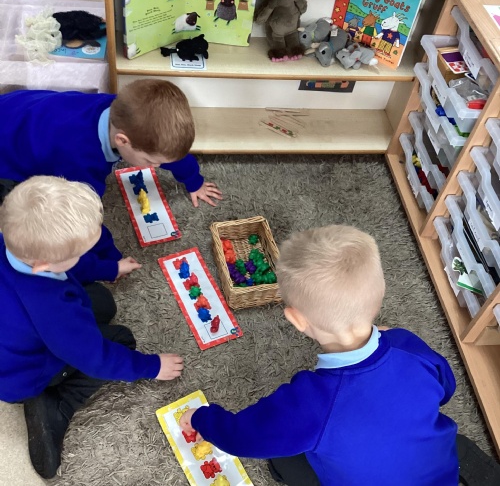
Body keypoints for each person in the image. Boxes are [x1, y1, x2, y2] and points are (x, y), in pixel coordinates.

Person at [180, 224, 459, 485]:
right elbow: (446, 389)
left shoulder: (309, 402)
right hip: (444, 478)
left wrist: (201, 419)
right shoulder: (409, 346)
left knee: (283, 456)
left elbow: (244, 437)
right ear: (380, 294)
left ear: (297, 320)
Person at [0, 176, 184, 479]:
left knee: (100, 300)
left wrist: (110, 268)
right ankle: (57, 404)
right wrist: (153, 367)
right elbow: (97, 360)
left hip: (16, 334)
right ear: (44, 265)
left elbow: (69, 263)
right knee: (121, 341)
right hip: (22, 377)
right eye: (78, 253)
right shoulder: (52, 308)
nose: (81, 257)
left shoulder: (18, 245)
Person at [0, 79, 222, 284]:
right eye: (150, 162)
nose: (155, 167)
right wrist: (111, 262)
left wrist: (194, 180)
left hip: (20, 108)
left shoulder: (121, 110)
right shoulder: (80, 162)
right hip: (8, 153)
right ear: (122, 141)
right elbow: (85, 221)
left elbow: (167, 151)